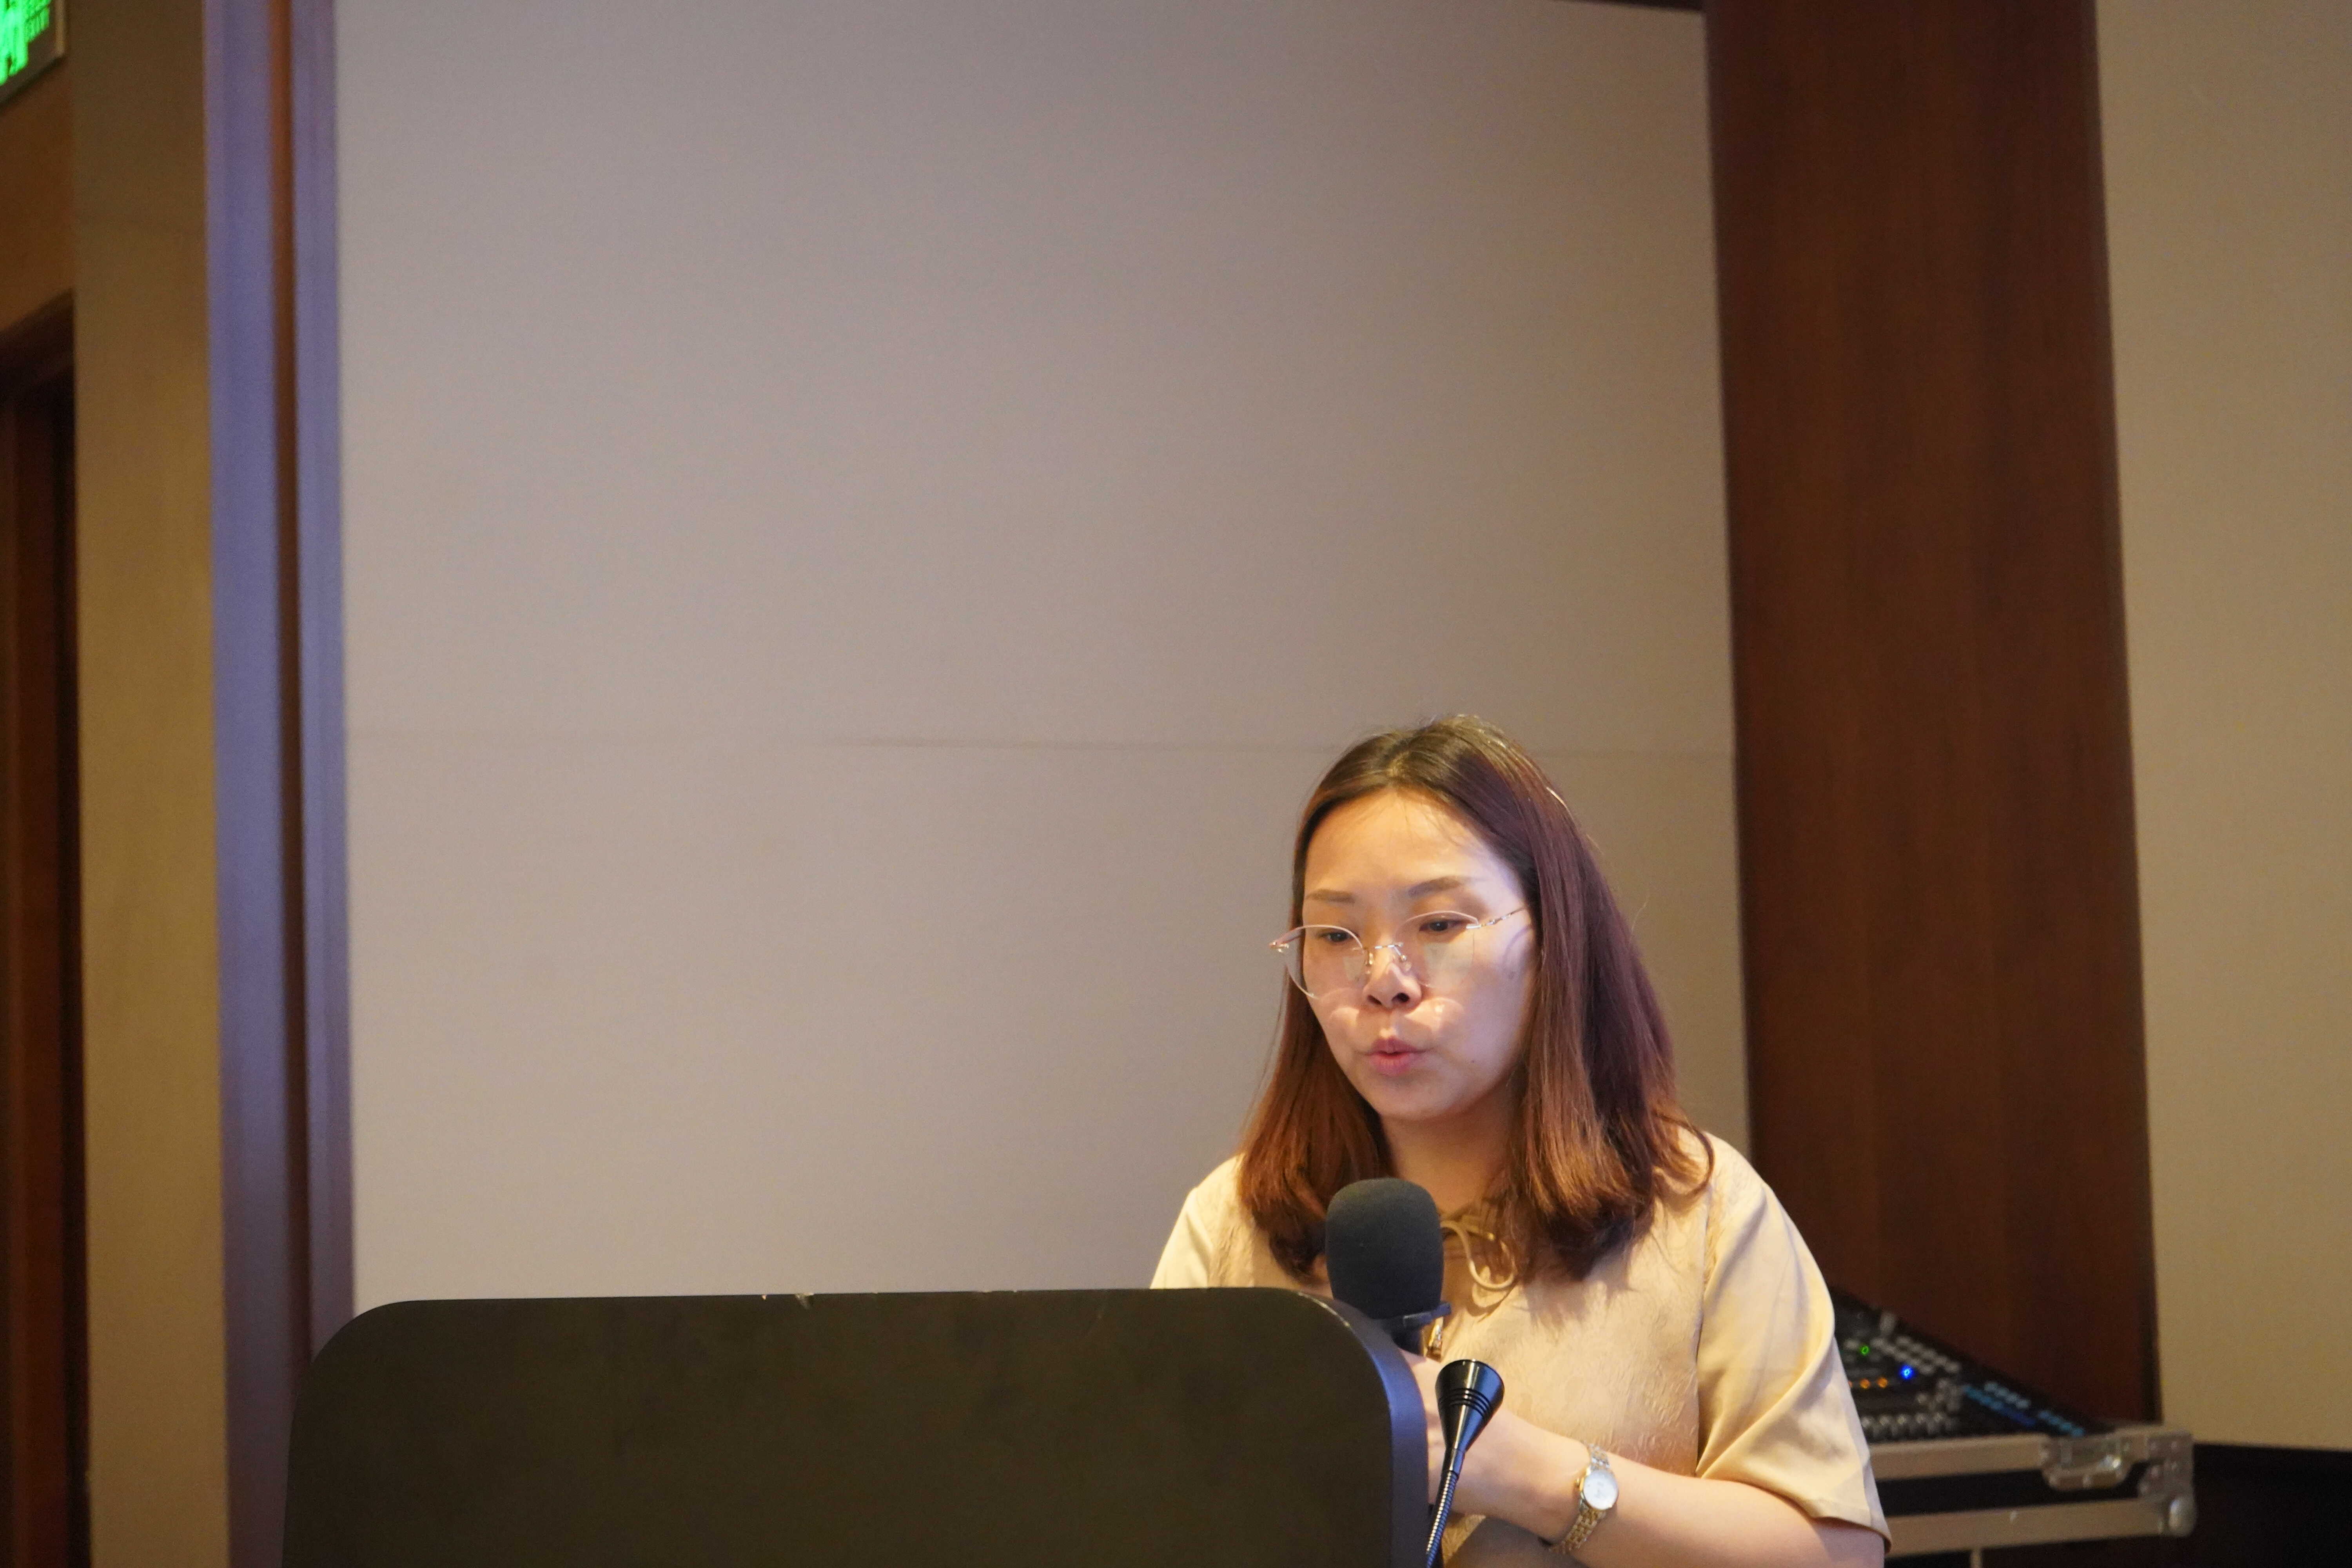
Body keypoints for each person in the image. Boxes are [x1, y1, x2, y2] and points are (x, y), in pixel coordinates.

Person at [1152, 717, 1887, 1566]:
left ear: (1551, 940)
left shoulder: (1699, 1212)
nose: (1384, 981)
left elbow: (1839, 1554)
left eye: (1439, 925)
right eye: (1337, 935)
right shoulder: (1234, 1220)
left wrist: (1528, 1475)